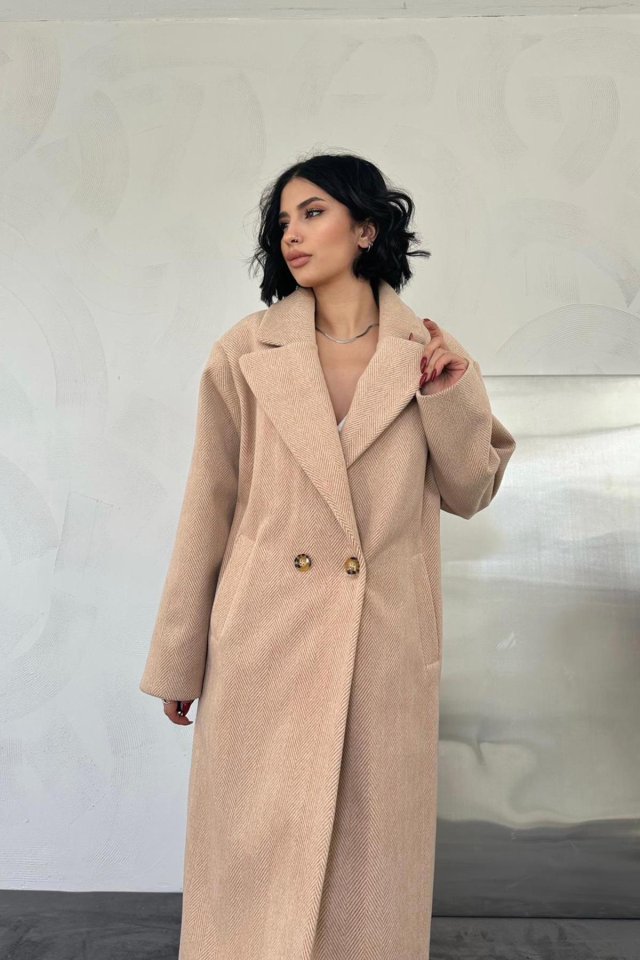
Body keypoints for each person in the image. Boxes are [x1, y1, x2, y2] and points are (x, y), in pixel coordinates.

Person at [139, 152, 516, 960]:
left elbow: (471, 490)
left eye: (313, 213)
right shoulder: (245, 352)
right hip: (263, 640)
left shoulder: (428, 353)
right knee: (252, 853)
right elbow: (209, 503)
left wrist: (448, 394)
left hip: (381, 643)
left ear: (367, 228)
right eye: (283, 220)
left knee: (369, 870)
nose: (292, 234)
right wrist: (179, 655)